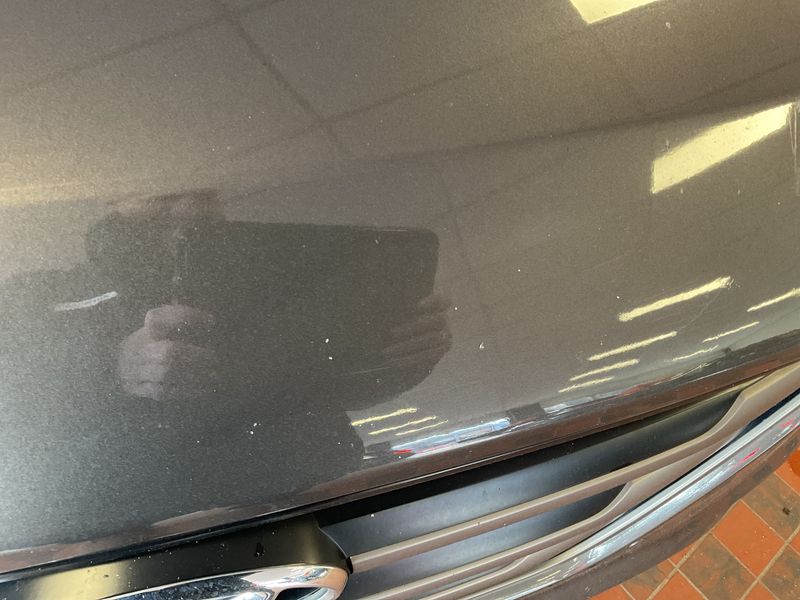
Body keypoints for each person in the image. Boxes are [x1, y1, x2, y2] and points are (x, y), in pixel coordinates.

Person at [0, 190, 451, 548]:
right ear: (113, 196)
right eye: (164, 195)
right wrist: (111, 365)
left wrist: (406, 357)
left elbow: (334, 387)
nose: (189, 209)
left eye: (205, 194)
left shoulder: (286, 274)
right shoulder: (37, 294)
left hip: (328, 495)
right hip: (122, 525)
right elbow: (15, 392)